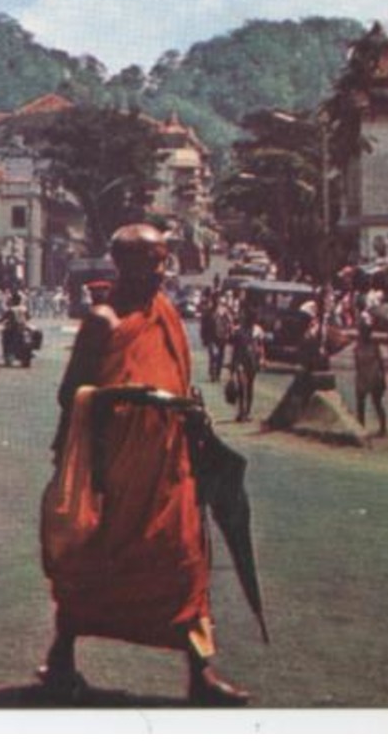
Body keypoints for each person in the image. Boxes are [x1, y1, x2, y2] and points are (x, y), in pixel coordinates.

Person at [39, 224, 249, 706]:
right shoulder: (103, 322)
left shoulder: (167, 315)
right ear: (122, 264)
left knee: (185, 558)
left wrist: (189, 408)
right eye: (150, 261)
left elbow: (177, 380)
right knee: (95, 561)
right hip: (115, 469)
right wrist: (129, 397)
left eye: (162, 260)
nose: (160, 271)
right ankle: (61, 659)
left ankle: (200, 675)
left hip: (169, 466)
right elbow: (70, 394)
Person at [351, 318, 388, 437]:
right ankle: (364, 426)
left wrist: (382, 377)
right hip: (367, 376)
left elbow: (380, 363)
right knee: (365, 403)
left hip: (371, 376)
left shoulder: (367, 346)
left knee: (373, 402)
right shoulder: (362, 347)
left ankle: (381, 426)